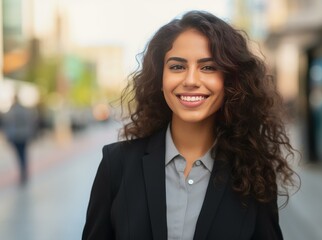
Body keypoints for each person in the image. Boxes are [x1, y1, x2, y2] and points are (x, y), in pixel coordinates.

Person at [82, 10, 298, 240]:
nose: (191, 81)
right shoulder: (117, 165)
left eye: (208, 67)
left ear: (230, 81)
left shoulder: (253, 171)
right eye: (177, 67)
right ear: (160, 79)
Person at [2, 92, 39, 184]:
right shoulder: (25, 110)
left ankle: (22, 170)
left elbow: (8, 124)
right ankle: (24, 170)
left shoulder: (11, 111)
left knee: (19, 154)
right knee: (24, 153)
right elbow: (31, 122)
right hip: (24, 135)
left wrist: (8, 136)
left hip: (16, 136)